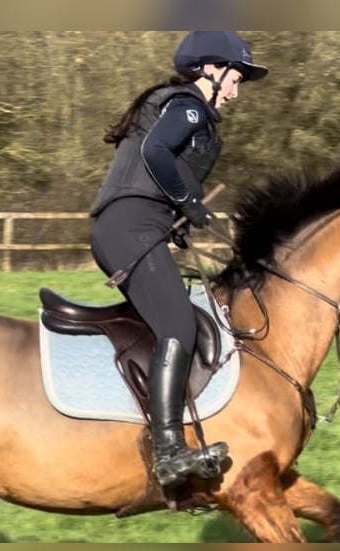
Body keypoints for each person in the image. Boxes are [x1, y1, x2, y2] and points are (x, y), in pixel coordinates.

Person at [88, 31, 268, 487]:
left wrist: (179, 216)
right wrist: (188, 200)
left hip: (135, 225)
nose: (236, 88)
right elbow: (155, 151)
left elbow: (158, 167)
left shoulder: (190, 111)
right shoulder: (186, 105)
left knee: (177, 317)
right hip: (129, 227)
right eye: (235, 77)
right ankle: (169, 452)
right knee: (179, 325)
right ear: (210, 68)